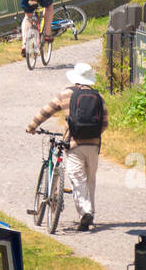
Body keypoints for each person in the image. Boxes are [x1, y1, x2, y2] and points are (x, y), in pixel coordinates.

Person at [26, 62, 107, 231]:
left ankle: (86, 212)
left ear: (75, 78)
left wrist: (32, 126)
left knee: (78, 178)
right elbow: (104, 124)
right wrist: (92, 134)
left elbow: (46, 111)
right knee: (90, 178)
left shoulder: (66, 94)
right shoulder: (98, 97)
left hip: (74, 143)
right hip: (94, 145)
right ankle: (89, 213)